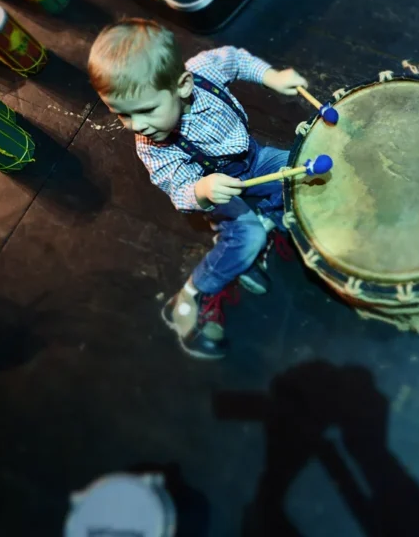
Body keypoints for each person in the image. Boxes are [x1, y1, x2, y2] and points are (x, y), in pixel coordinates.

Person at [88, 19, 307, 360]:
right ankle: (193, 295)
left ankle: (270, 218)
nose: (137, 125)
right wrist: (202, 190)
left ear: (183, 85)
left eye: (147, 110)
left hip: (251, 158)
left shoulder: (204, 70)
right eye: (122, 115)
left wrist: (271, 77)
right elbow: (179, 192)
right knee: (247, 235)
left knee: (299, 165)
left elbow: (235, 59)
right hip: (214, 193)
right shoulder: (153, 147)